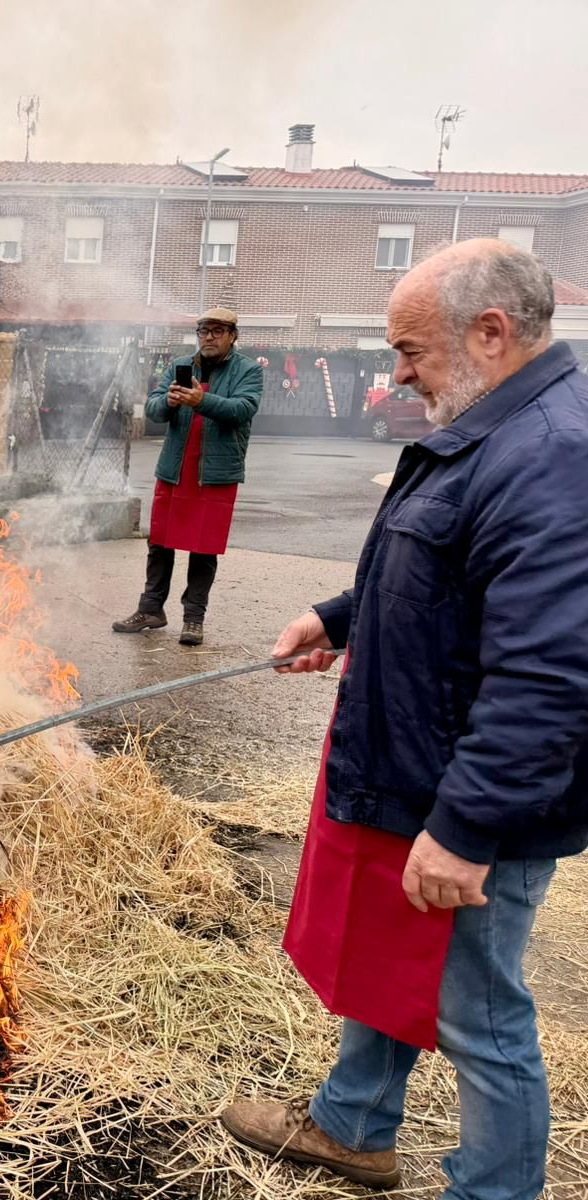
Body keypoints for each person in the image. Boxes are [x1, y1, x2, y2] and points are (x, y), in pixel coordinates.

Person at [223, 239, 588, 1198]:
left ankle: (494, 1189)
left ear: (492, 332)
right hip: (422, 766)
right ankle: (353, 1128)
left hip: (477, 797)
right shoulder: (491, 424)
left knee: (479, 1012)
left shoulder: (552, 454)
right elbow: (445, 572)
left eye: (412, 351)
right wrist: (340, 619)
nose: (398, 373)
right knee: (392, 958)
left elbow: (550, 675)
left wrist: (466, 831)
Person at [112, 307, 261, 646]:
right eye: (204, 330)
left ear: (233, 336)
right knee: (160, 542)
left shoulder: (249, 371)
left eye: (217, 331)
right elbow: (152, 408)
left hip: (215, 474)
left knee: (203, 547)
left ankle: (194, 619)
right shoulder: (181, 366)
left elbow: (242, 409)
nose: (209, 337)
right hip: (176, 470)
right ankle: (151, 609)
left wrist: (201, 400)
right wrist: (169, 401)